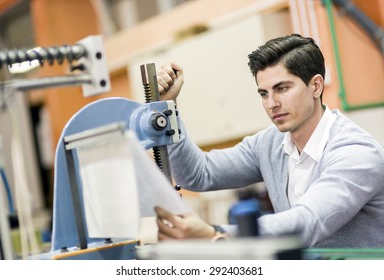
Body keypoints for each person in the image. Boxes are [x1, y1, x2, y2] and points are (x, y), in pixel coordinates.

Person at [154, 34, 384, 248]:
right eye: (263, 94)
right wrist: (167, 107)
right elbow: (198, 174)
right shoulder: (270, 144)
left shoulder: (356, 152)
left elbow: (307, 222)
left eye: (281, 89)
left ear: (316, 86)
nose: (271, 103)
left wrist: (213, 233)